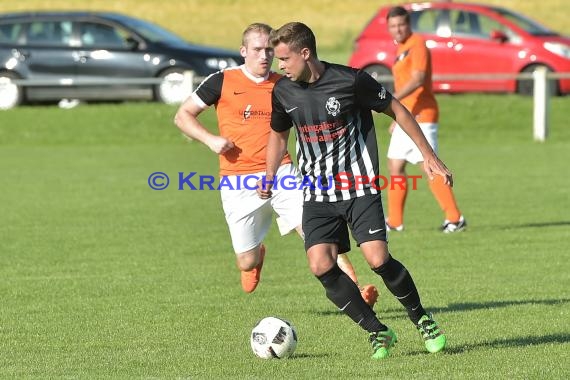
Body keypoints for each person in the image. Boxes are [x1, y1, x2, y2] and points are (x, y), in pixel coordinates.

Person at [258, 22, 447, 359]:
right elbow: (278, 134)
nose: (279, 66)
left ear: (305, 53)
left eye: (284, 58)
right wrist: (269, 173)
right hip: (316, 193)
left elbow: (397, 110)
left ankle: (421, 318)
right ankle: (378, 331)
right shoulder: (283, 91)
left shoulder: (351, 80)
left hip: (359, 186)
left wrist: (429, 156)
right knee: (320, 265)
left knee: (378, 259)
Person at [173, 23, 377, 304]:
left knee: (314, 231)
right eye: (257, 49)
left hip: (281, 172)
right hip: (237, 180)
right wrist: (210, 140)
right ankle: (256, 257)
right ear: (243, 51)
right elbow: (183, 115)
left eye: (270, 50)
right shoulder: (221, 81)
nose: (265, 56)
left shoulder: (286, 84)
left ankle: (357, 290)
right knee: (245, 260)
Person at [385, 6, 466, 233]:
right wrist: (396, 116)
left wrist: (390, 100)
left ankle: (455, 218)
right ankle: (394, 221)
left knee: (429, 165)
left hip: (422, 114)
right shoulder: (400, 48)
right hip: (408, 115)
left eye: (401, 24)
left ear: (408, 24)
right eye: (393, 26)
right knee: (395, 164)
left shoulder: (417, 44)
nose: (397, 29)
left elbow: (418, 79)